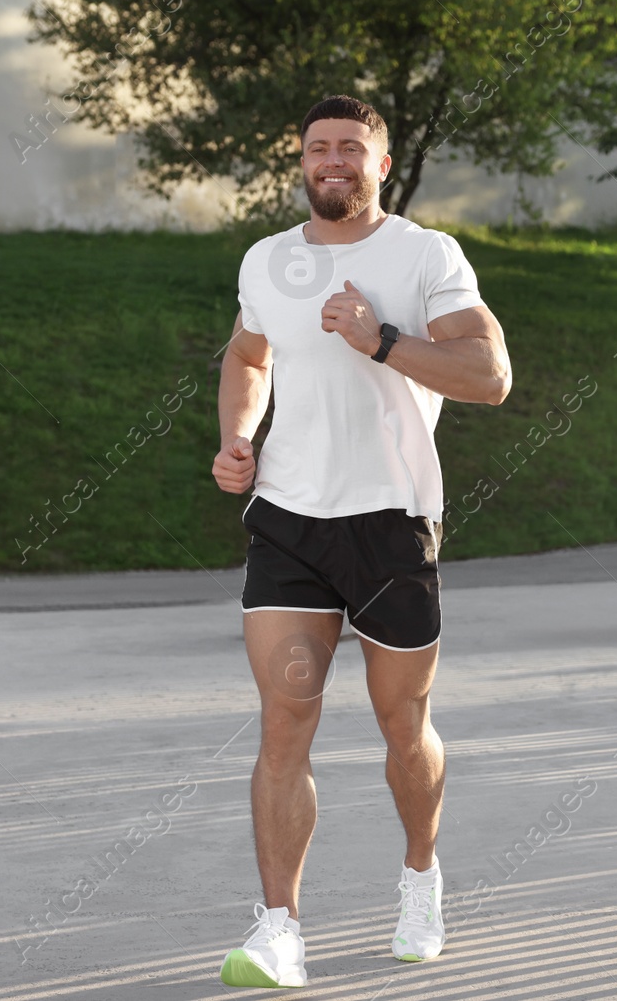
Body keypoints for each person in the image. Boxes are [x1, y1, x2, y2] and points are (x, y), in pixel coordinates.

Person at [210, 94, 512, 988]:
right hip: (290, 521)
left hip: (391, 520)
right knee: (283, 724)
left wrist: (381, 340)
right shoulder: (266, 262)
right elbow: (246, 355)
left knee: (401, 722)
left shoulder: (425, 255)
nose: (332, 159)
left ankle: (421, 876)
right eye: (317, 147)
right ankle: (279, 928)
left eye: (351, 147)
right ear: (300, 162)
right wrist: (237, 435)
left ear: (381, 164)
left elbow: (489, 375)